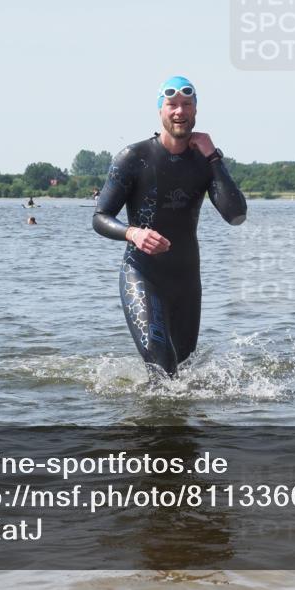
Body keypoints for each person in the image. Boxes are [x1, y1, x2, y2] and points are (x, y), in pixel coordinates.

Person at [93, 76, 247, 377]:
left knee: (183, 374)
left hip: (187, 280)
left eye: (186, 105)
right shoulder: (133, 157)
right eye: (172, 105)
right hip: (142, 272)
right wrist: (132, 232)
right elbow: (100, 217)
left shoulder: (205, 161)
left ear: (196, 111)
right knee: (163, 367)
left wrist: (213, 156)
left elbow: (236, 215)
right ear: (160, 111)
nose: (179, 111)